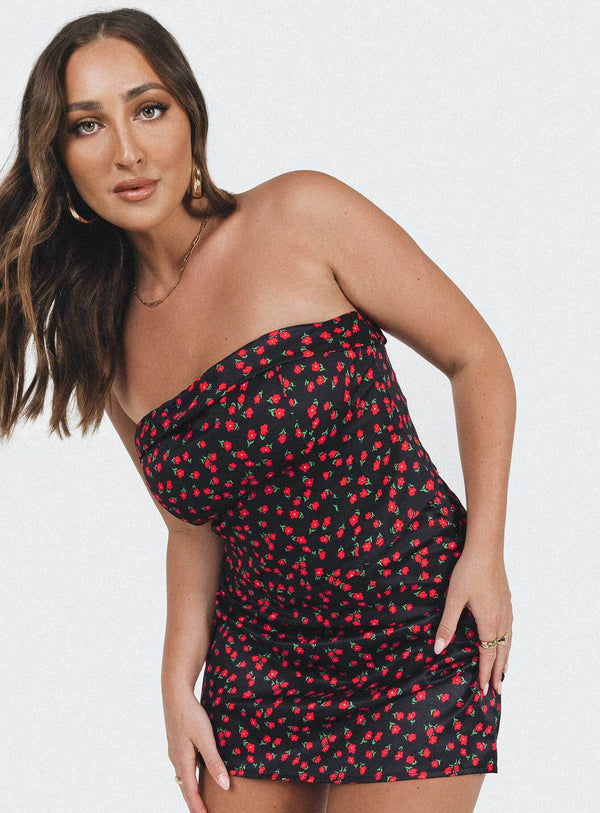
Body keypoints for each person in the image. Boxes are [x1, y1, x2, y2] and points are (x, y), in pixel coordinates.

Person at [0, 8, 515, 813]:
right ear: (58, 157)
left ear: (190, 115)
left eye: (148, 109)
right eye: (86, 125)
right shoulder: (108, 339)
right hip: (260, 667)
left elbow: (475, 358)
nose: (127, 151)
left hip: (419, 635)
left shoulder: (302, 215)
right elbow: (189, 529)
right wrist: (176, 685)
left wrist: (486, 550)